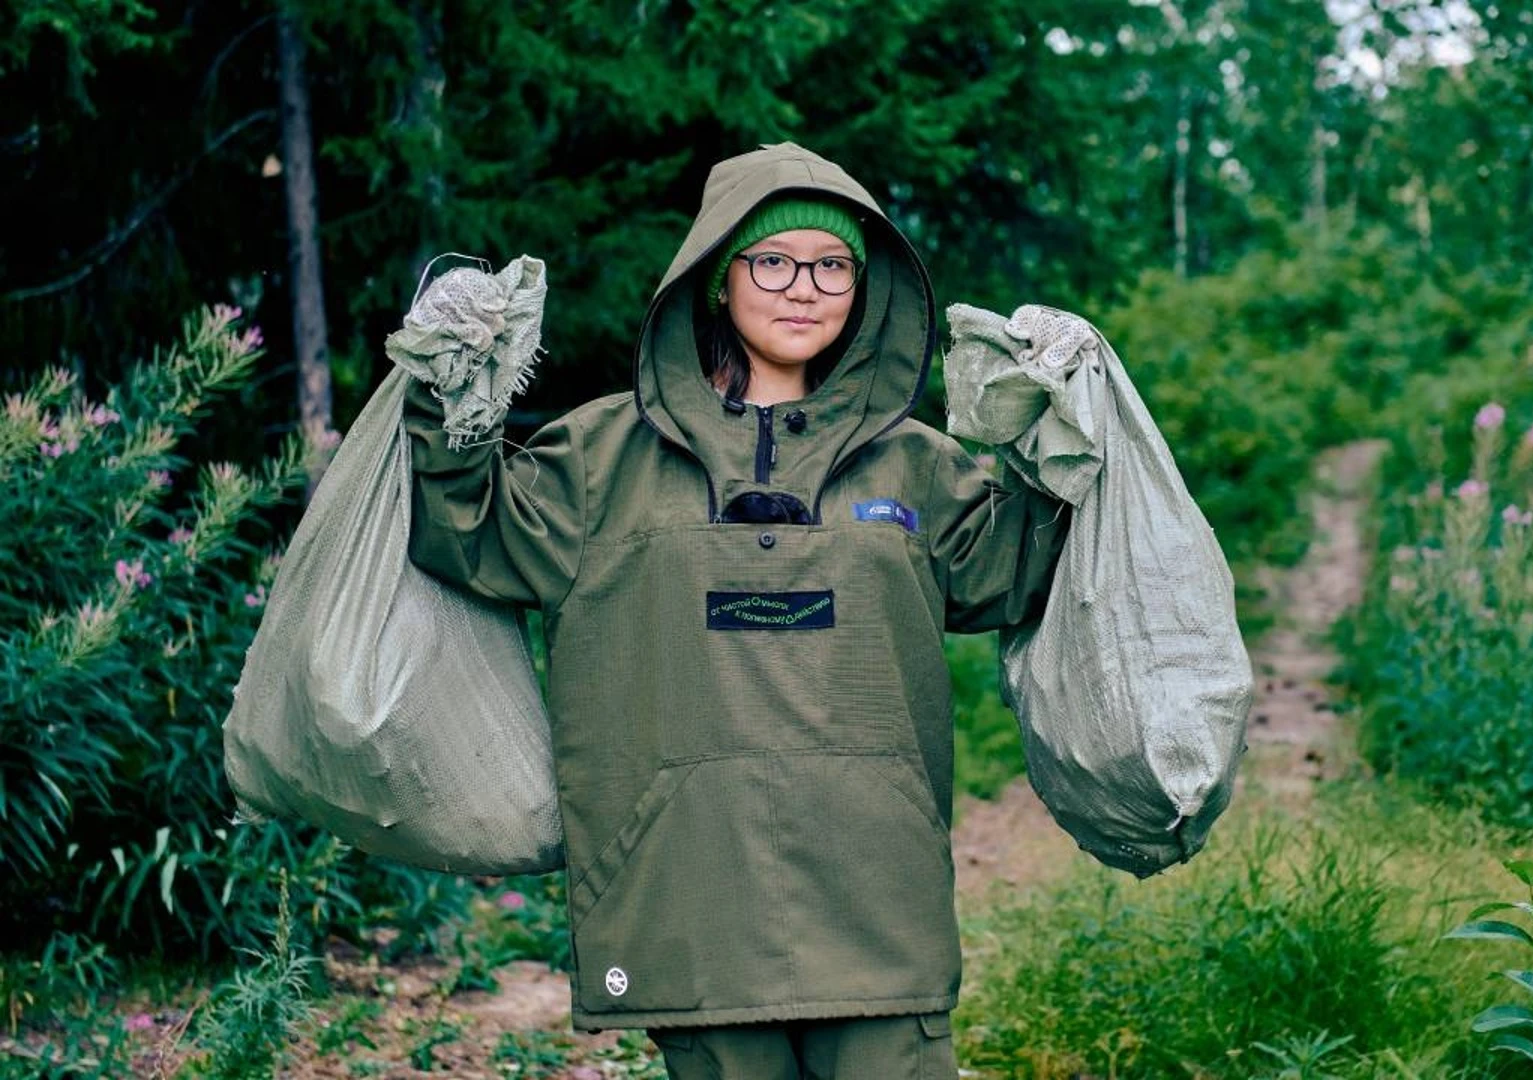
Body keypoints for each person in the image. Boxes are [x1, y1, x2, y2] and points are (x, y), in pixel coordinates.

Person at [402, 142, 1069, 1079]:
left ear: (862, 285)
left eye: (833, 264)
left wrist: (1058, 436)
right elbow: (470, 533)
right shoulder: (601, 458)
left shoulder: (915, 465)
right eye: (773, 260)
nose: (805, 287)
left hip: (879, 905)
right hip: (695, 897)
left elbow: (1019, 571)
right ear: (718, 277)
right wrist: (447, 399)